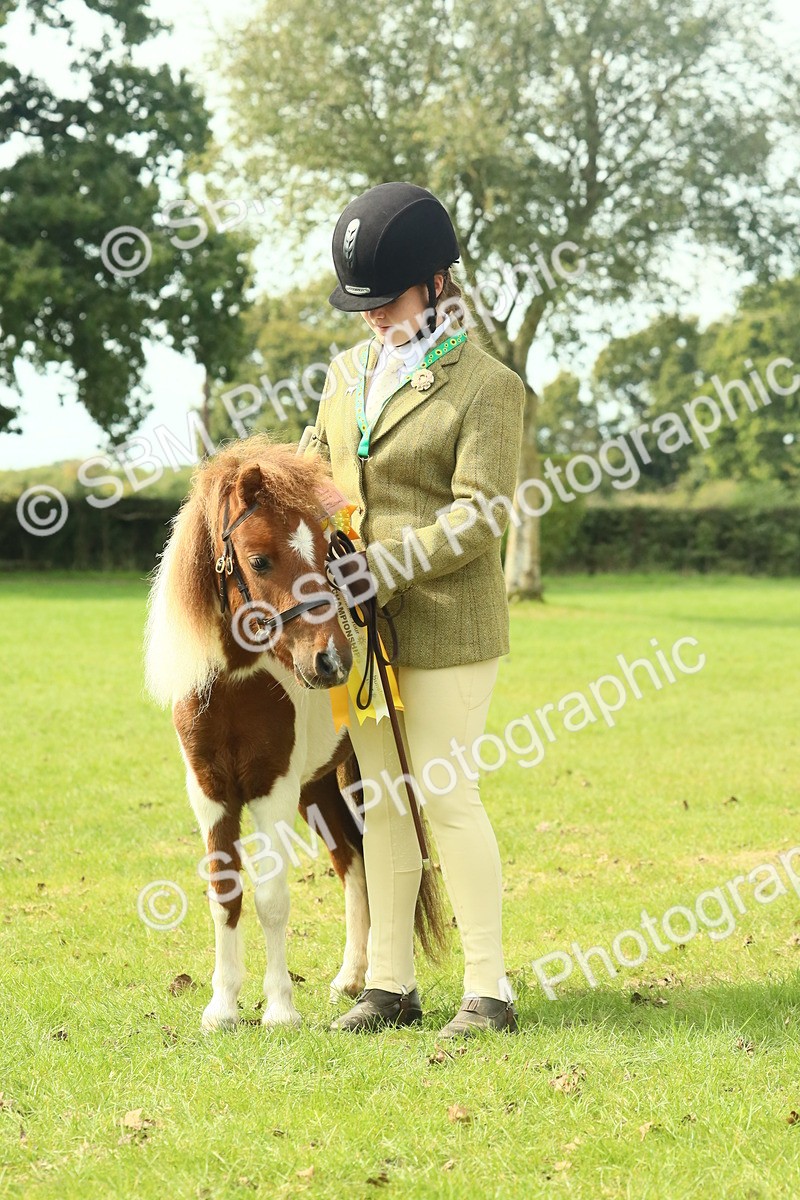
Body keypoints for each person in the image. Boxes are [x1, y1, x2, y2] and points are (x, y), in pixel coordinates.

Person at [307, 181, 525, 1036]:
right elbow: (315, 470)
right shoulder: (345, 375)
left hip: (446, 623)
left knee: (445, 795)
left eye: (384, 300)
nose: (369, 318)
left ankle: (489, 990)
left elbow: (481, 514)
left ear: (436, 284)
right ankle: (389, 986)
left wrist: (385, 568)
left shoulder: (486, 386)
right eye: (357, 304)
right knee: (381, 800)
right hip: (363, 632)